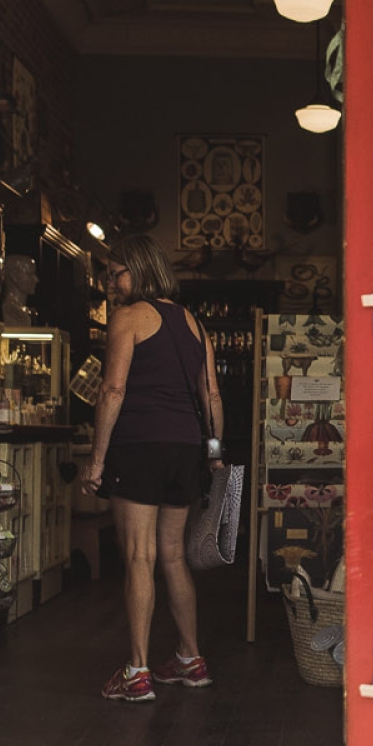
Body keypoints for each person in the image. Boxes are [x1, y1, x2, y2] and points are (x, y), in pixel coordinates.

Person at [77, 234, 223, 702]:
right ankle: (190, 659)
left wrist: (96, 459)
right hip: (185, 448)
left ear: (139, 270)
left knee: (139, 556)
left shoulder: (128, 318)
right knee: (173, 555)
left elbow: (112, 390)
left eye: (116, 272)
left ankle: (137, 671)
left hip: (139, 446)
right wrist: (214, 450)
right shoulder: (196, 325)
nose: (110, 282)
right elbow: (211, 396)